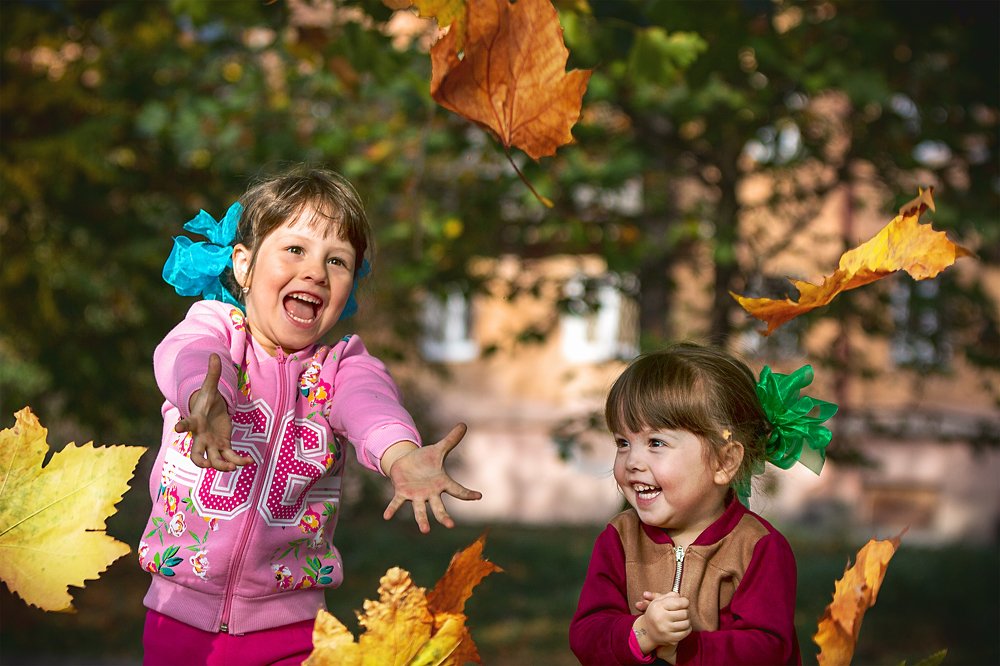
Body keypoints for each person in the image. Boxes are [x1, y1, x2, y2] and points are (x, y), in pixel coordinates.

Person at [138, 166, 482, 666]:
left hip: (293, 627)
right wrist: (201, 397)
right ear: (244, 266)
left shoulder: (339, 368)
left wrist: (400, 454)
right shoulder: (216, 331)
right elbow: (187, 355)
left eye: (337, 260)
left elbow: (371, 403)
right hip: (180, 616)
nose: (316, 271)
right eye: (295, 250)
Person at [569, 343, 836, 665]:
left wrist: (683, 649)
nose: (632, 461)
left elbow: (766, 649)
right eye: (623, 443)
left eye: (656, 442)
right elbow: (586, 633)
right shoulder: (620, 539)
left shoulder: (758, 548)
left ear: (724, 461)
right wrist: (643, 632)